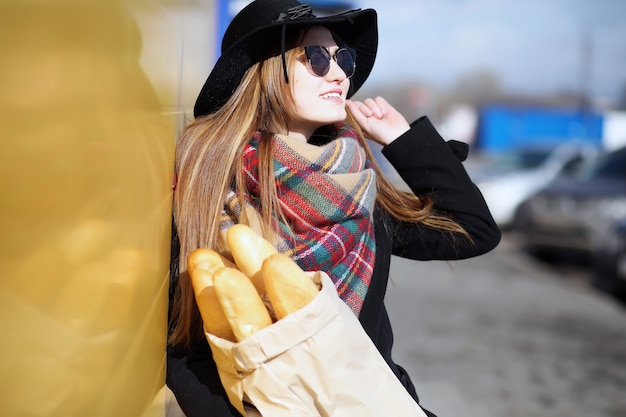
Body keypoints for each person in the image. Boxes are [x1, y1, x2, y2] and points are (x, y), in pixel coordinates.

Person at [167, 1, 501, 416]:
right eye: (318, 58)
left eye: (344, 57)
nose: (341, 73)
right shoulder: (210, 183)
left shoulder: (357, 191)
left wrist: (402, 141)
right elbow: (181, 346)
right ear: (267, 71)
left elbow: (472, 230)